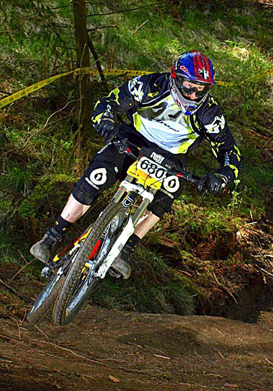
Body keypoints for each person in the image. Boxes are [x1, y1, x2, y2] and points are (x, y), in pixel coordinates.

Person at [30, 50, 241, 279]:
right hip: (134, 139)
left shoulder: (210, 113)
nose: (193, 94)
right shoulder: (150, 86)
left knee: (169, 189)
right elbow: (110, 102)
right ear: (176, 78)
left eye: (201, 89)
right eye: (189, 86)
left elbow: (229, 151)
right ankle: (51, 237)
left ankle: (125, 251)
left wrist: (222, 176)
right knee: (99, 174)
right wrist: (105, 121)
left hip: (171, 156)